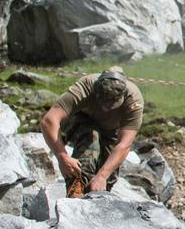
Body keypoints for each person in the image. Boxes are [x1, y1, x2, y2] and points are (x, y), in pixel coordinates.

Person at [40, 67, 144, 197]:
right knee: (90, 142)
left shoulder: (133, 100)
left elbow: (124, 144)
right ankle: (76, 194)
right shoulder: (85, 87)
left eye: (111, 105)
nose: (106, 109)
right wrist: (63, 157)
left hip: (111, 129)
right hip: (81, 119)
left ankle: (96, 204)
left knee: (108, 173)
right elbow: (49, 120)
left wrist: (102, 176)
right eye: (103, 104)